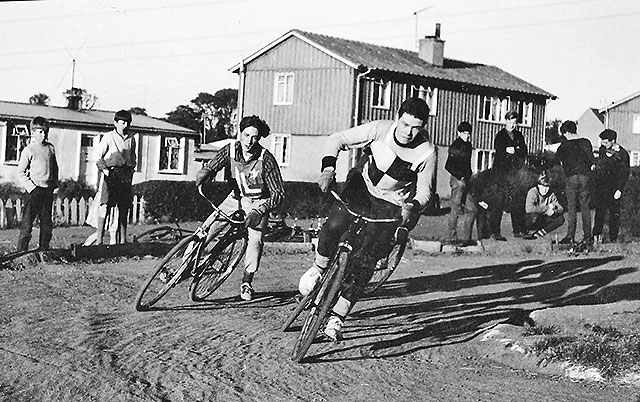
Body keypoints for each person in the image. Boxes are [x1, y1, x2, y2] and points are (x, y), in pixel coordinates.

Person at [298, 97, 437, 342]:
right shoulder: (379, 129)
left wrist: (412, 206)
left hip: (391, 203)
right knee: (334, 225)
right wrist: (328, 169)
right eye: (405, 125)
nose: (409, 132)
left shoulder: (427, 151)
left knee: (367, 260)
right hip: (362, 187)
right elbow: (337, 139)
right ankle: (319, 268)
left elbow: (426, 190)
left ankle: (338, 316)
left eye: (416, 127)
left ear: (424, 126)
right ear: (397, 117)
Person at [195, 115, 285, 301]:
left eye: (254, 137)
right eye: (246, 135)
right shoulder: (230, 150)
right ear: (240, 134)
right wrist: (206, 173)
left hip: (258, 202)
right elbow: (213, 165)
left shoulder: (265, 159)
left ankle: (246, 281)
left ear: (259, 138)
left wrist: (260, 210)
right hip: (235, 198)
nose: (249, 142)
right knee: (206, 230)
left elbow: (278, 194)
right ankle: (181, 266)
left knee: (255, 241)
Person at [94, 110, 137, 245]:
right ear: (115, 123)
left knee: (124, 207)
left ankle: (123, 241)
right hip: (112, 174)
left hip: (125, 175)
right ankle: (99, 241)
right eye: (122, 123)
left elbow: (133, 158)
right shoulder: (108, 137)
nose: (125, 126)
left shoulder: (131, 139)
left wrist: (131, 171)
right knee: (105, 206)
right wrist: (106, 171)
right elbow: (97, 157)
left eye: (128, 123)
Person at [16, 116, 59, 251]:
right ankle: (21, 252)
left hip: (47, 191)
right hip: (34, 191)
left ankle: (43, 250)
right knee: (27, 224)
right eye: (40, 131)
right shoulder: (29, 150)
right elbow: (21, 172)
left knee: (46, 224)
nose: (43, 134)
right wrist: (31, 188)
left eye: (45, 131)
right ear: (33, 132)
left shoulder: (50, 148)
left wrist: (54, 185)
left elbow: (55, 168)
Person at [489, 110, 528, 240]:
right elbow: (498, 149)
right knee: (498, 202)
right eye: (510, 121)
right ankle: (495, 232)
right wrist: (506, 150)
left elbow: (524, 151)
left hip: (515, 174)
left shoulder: (518, 135)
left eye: (514, 122)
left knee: (517, 201)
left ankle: (519, 230)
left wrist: (515, 150)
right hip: (501, 174)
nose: (512, 124)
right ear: (505, 121)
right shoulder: (500, 135)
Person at [555, 120, 595, 245]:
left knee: (572, 208)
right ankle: (588, 237)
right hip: (585, 177)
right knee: (585, 207)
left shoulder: (563, 146)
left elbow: (557, 161)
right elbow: (591, 160)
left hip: (571, 178)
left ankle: (570, 236)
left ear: (566, 132)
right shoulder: (586, 142)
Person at [592, 129, 630, 243]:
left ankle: (613, 239)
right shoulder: (602, 150)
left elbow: (624, 174)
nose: (603, 145)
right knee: (599, 213)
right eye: (602, 142)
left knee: (614, 214)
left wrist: (619, 189)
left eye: (606, 142)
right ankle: (596, 237)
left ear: (613, 141)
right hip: (602, 187)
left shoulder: (623, 154)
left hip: (614, 188)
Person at [445, 121, 476, 242]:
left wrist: (469, 176)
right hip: (457, 181)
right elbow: (448, 166)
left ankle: (466, 238)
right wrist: (460, 176)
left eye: (469, 134)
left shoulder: (468, 145)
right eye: (465, 134)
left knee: (472, 208)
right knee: (456, 208)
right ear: (459, 133)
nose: (467, 136)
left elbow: (467, 165)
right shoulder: (455, 146)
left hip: (467, 181)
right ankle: (451, 238)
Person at [524, 172, 564, 239]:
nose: (545, 189)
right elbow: (529, 209)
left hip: (544, 217)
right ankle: (530, 231)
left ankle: (542, 232)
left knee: (560, 219)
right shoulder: (533, 192)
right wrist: (546, 209)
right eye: (543, 186)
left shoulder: (551, 193)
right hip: (532, 217)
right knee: (534, 217)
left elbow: (560, 208)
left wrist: (555, 211)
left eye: (547, 187)